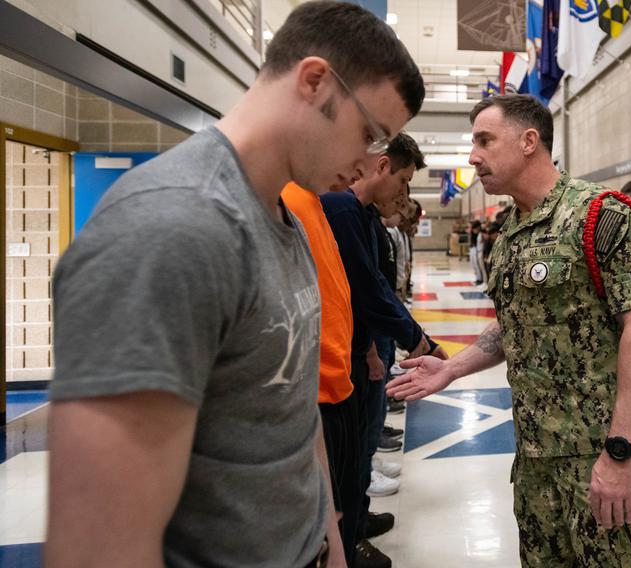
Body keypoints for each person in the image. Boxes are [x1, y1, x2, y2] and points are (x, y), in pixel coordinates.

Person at [43, 3, 424, 567]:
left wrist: (331, 541)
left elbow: (291, 406)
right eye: (370, 134)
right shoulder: (173, 228)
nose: (371, 162)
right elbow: (99, 546)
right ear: (315, 81)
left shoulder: (284, 216)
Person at [387, 94, 631, 567]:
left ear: (528, 142)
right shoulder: (514, 232)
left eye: (484, 140)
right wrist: (452, 368)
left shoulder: (602, 217)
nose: (472, 156)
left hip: (599, 454)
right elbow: (516, 324)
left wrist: (620, 453)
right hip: (536, 459)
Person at [321, 133, 447, 568]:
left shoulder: (359, 214)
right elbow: (369, 290)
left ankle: (355, 528)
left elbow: (374, 287)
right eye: (404, 178)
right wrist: (416, 339)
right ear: (382, 167)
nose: (402, 190)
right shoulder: (341, 209)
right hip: (337, 359)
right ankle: (348, 543)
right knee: (347, 462)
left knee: (358, 455)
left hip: (355, 350)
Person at [282, 182, 363, 565]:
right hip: (315, 397)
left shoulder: (315, 203)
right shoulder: (287, 200)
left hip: (332, 390)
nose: (359, 168)